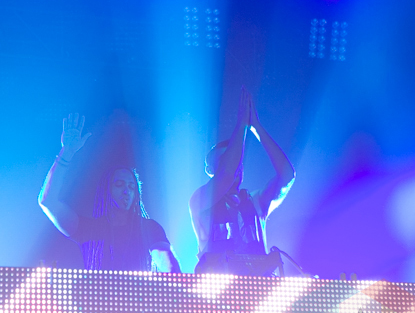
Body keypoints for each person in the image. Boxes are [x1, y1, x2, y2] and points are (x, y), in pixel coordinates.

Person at [39, 113, 181, 273]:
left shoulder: (149, 228)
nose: (127, 191)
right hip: (96, 291)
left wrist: (175, 280)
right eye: (119, 184)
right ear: (107, 190)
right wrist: (67, 152)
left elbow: (166, 261)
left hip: (138, 290)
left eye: (131, 187)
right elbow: (47, 201)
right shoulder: (88, 228)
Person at [189, 87, 295, 274]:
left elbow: (287, 175)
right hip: (216, 288)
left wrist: (257, 128)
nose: (235, 164)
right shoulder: (199, 200)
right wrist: (241, 126)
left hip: (259, 288)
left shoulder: (256, 201)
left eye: (238, 159)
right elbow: (226, 175)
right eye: (226, 159)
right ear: (209, 170)